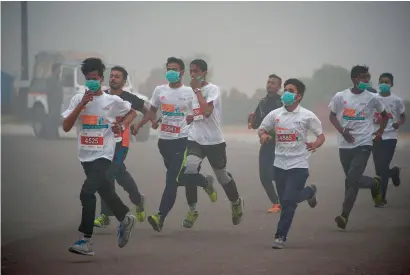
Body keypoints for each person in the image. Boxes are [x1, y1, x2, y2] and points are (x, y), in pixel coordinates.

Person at [62, 58, 137, 256]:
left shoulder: (111, 101)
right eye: (88, 79)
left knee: (87, 193)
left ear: (101, 79)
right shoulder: (78, 99)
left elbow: (132, 112)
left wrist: (122, 125)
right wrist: (82, 105)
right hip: (85, 155)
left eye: (95, 78)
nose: (91, 82)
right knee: (106, 193)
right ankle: (125, 218)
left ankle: (85, 240)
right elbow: (66, 126)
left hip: (104, 154)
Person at [134, 57, 216, 232]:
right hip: (164, 142)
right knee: (179, 179)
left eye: (175, 69)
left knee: (172, 180)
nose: (171, 72)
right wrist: (141, 124)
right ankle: (204, 181)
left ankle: (160, 216)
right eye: (168, 68)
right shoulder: (159, 90)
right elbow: (153, 112)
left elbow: (202, 111)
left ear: (181, 72)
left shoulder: (189, 92)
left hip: (183, 140)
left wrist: (194, 118)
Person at [258, 78, 324, 249]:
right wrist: (263, 136)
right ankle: (309, 192)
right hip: (279, 165)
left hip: (299, 165)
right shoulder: (276, 114)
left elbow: (321, 136)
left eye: (291, 91)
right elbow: (262, 128)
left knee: (288, 202)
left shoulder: (307, 116)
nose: (287, 93)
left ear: (299, 96)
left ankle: (280, 236)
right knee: (287, 200)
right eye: (286, 89)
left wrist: (315, 144)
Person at [178, 59, 244, 228]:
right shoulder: (189, 92)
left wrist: (198, 91)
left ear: (204, 73)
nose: (193, 75)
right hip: (195, 138)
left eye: (196, 71)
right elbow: (193, 112)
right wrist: (190, 117)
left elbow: (207, 111)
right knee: (190, 169)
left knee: (222, 176)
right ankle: (192, 209)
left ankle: (236, 202)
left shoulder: (212, 90)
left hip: (214, 141)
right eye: (191, 71)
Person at [328, 65, 388, 230]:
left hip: (363, 143)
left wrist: (379, 133)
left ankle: (344, 215)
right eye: (363, 77)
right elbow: (332, 116)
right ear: (354, 79)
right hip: (344, 145)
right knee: (351, 182)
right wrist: (342, 131)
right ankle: (374, 184)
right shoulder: (340, 96)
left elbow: (385, 116)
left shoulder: (373, 97)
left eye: (368, 77)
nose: (366, 80)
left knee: (352, 179)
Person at [93, 66, 147, 228]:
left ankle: (105, 215)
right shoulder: (102, 96)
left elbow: (147, 111)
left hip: (120, 144)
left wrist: (139, 125)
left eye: (117, 77)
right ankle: (138, 199)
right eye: (111, 76)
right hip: (103, 143)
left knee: (108, 175)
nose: (113, 79)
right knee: (120, 175)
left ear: (123, 81)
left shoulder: (129, 98)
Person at [248, 74, 283, 213]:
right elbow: (257, 124)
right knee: (264, 176)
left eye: (273, 83)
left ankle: (306, 192)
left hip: (281, 144)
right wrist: (252, 120)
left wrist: (271, 134)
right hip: (266, 143)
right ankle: (276, 203)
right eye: (268, 82)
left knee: (279, 175)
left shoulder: (281, 103)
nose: (269, 85)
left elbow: (285, 123)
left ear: (279, 87)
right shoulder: (262, 102)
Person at [372, 73, 405, 207]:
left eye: (386, 82)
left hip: (390, 137)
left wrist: (399, 123)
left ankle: (382, 198)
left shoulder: (396, 100)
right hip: (375, 137)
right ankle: (394, 172)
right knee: (379, 171)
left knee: (383, 167)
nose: (384, 84)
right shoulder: (373, 99)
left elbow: (403, 116)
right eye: (381, 82)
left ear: (391, 84)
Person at [46, 63, 63, 139]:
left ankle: (55, 134)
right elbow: (49, 91)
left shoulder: (58, 78)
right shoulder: (51, 79)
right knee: (52, 118)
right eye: (58, 69)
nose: (60, 71)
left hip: (57, 102)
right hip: (53, 101)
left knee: (56, 118)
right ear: (55, 69)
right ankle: (50, 134)